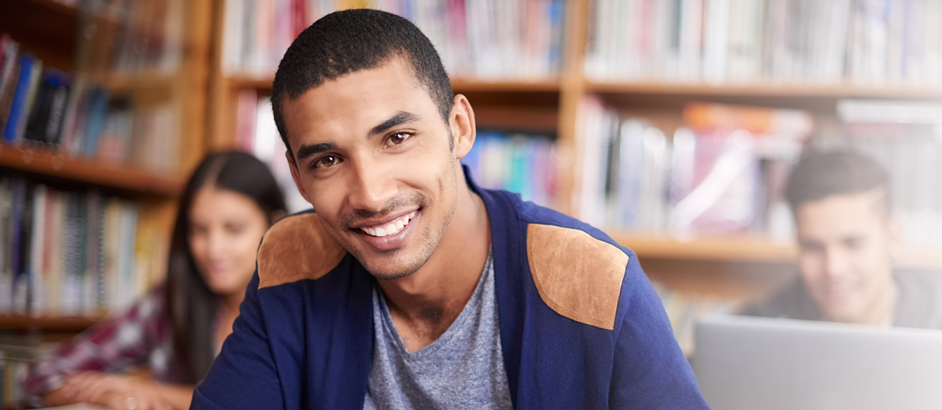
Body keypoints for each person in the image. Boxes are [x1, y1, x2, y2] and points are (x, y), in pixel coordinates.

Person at [191, 9, 708, 409]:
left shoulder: (593, 279)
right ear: (299, 178)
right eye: (328, 160)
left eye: (397, 137)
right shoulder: (292, 262)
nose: (370, 194)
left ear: (459, 129)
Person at [22, 151, 287, 410]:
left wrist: (151, 391)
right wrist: (110, 396)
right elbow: (41, 377)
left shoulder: (294, 314)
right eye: (198, 230)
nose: (213, 249)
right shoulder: (168, 302)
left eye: (234, 229)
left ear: (277, 227)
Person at [742, 150, 942, 328]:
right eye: (813, 247)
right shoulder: (757, 330)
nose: (833, 269)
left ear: (893, 237)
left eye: (853, 244)